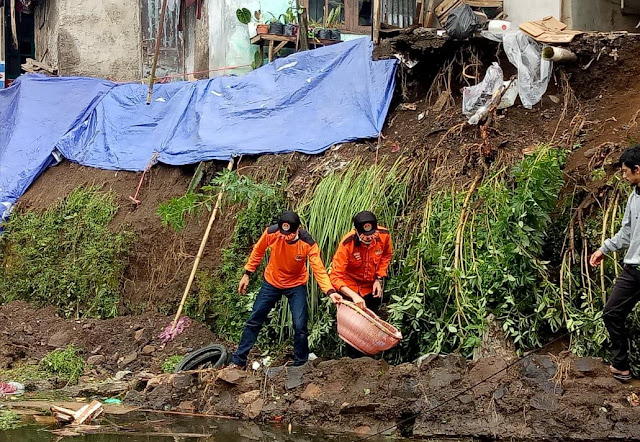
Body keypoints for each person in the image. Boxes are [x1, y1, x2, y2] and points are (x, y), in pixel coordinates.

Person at [229, 211, 341, 369]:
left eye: (289, 234)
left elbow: (319, 269)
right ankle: (238, 360)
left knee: (300, 324)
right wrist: (247, 273)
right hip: (272, 281)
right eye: (283, 233)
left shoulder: (307, 243)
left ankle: (300, 364)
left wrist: (330, 291)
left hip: (296, 284)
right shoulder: (272, 233)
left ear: (298, 229)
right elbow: (258, 251)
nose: (285, 237)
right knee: (255, 319)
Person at [590, 145, 640, 382]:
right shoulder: (633, 197)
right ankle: (620, 365)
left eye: (624, 171)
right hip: (633, 271)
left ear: (637, 170)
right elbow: (626, 233)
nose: (623, 175)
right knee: (611, 313)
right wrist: (603, 249)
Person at [330, 211, 393, 314]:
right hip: (350, 287)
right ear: (356, 231)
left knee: (372, 320)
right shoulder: (347, 244)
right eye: (364, 235)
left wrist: (379, 279)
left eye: (371, 233)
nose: (368, 237)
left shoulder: (384, 235)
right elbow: (335, 276)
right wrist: (354, 296)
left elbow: (386, 256)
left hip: (371, 287)